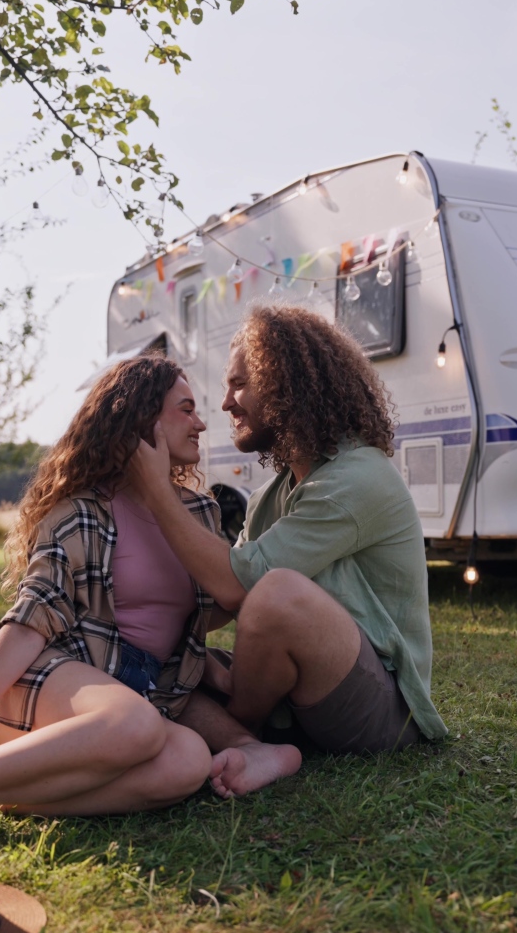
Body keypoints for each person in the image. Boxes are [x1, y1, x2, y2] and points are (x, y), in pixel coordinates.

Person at [130, 302, 448, 798]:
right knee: (169, 666)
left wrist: (156, 492)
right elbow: (216, 603)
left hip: (384, 714)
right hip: (310, 700)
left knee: (277, 593)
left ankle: (240, 731)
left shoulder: (359, 478)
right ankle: (244, 739)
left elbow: (240, 584)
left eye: (239, 384)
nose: (227, 404)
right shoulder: (269, 497)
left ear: (285, 385)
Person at [0, 354, 219, 819]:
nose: (201, 423)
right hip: (59, 681)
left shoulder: (201, 514)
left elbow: (221, 598)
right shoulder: (82, 511)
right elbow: (29, 621)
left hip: (137, 694)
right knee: (134, 723)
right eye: (186, 409)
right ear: (145, 420)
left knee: (189, 761)